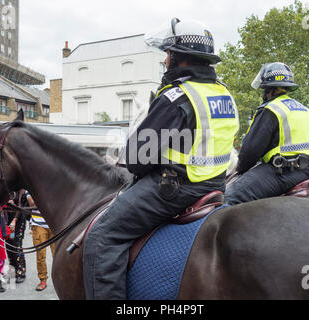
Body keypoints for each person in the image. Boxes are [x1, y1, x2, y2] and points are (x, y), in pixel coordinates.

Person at [83, 18, 240, 300]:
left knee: (103, 237)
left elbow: (136, 160)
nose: (165, 60)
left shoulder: (178, 97)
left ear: (179, 58)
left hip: (176, 188)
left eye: (168, 54)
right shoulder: (223, 94)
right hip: (216, 186)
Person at [225, 62, 309, 205]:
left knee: (229, 197)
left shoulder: (271, 109)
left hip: (282, 172)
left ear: (267, 89)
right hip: (308, 171)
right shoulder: (306, 110)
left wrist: (241, 169)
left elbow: (250, 152)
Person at [27, 192, 55, 291]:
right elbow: (32, 205)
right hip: (38, 224)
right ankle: (43, 279)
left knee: (57, 254)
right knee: (40, 254)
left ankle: (59, 278)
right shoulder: (31, 186)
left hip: (54, 223)